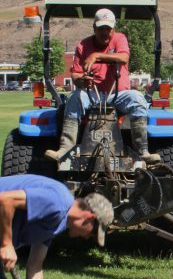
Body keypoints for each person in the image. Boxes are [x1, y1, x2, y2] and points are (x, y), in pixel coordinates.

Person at [44, 8, 161, 164]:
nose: (105, 32)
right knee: (75, 98)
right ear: (94, 28)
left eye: (108, 29)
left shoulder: (119, 39)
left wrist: (96, 55)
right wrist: (82, 81)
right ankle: (65, 149)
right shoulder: (83, 45)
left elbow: (123, 57)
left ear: (113, 29)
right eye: (101, 28)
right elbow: (76, 74)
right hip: (92, 93)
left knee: (138, 99)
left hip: (119, 94)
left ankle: (142, 151)